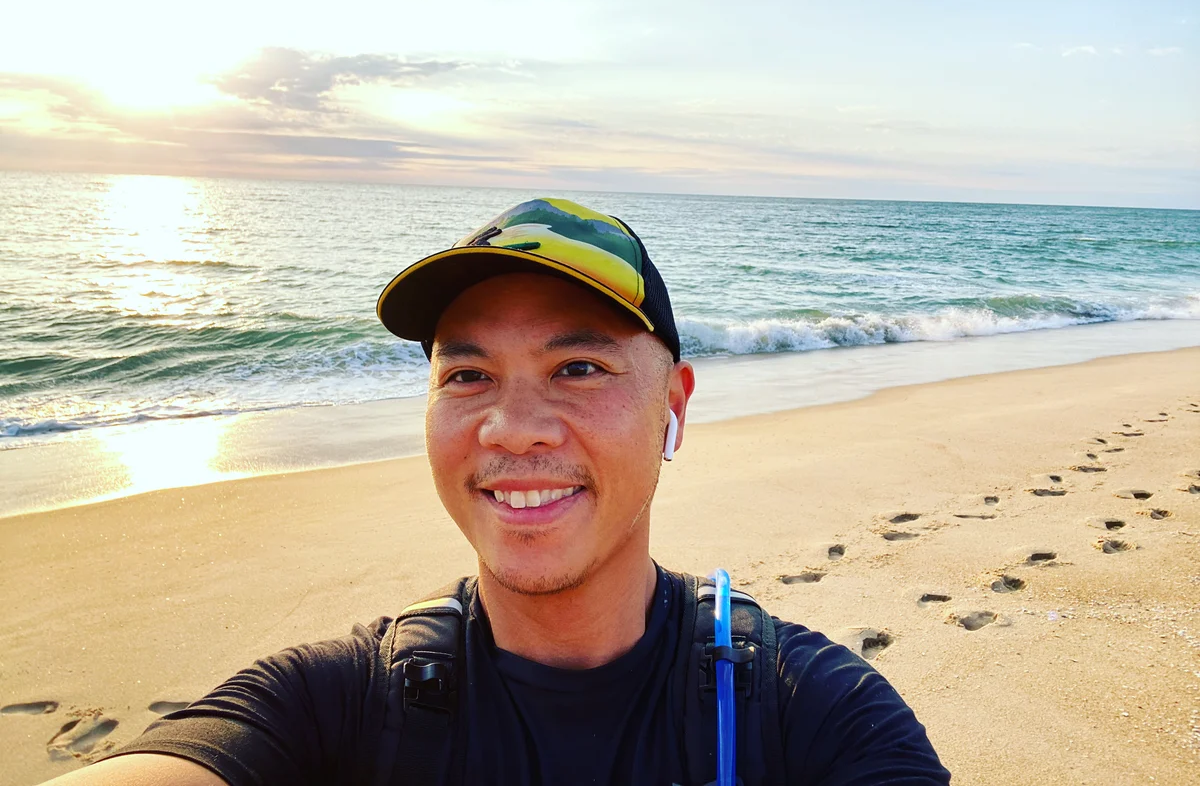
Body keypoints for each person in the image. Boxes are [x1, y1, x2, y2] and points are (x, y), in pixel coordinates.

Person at [44, 198, 950, 785]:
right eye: (467, 376)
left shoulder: (811, 713)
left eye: (579, 367)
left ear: (673, 407)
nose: (513, 429)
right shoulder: (338, 703)